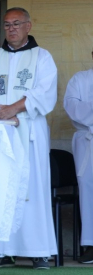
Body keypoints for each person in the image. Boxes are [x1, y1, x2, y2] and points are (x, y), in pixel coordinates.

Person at [0, 7, 57, 270]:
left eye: (16, 24)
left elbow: (45, 92)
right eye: (7, 24)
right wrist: (1, 111)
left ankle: (38, 250)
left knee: (32, 189)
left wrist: (15, 108)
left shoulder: (42, 58)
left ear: (28, 26)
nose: (11, 29)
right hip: (0, 132)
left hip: (29, 132)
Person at [63, 50, 93, 264]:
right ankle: (90, 243)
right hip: (87, 140)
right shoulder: (80, 79)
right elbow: (72, 106)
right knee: (88, 187)